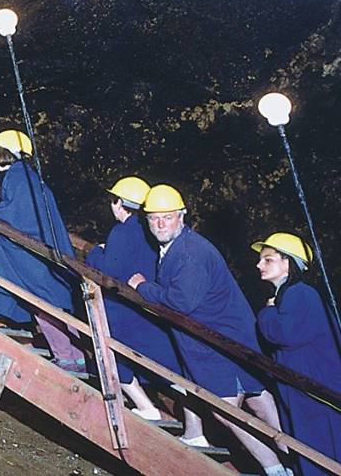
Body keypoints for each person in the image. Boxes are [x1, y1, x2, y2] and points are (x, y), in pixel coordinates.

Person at [130, 185, 290, 474]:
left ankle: (277, 469)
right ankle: (300, 461)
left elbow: (181, 301)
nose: (160, 224)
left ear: (182, 216)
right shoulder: (180, 246)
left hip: (219, 342)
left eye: (167, 217)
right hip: (231, 338)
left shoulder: (190, 252)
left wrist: (142, 287)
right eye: (154, 218)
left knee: (225, 411)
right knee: (259, 402)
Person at [0, 131, 86, 373]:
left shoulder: (19, 176)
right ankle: (77, 355)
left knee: (42, 302)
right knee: (56, 302)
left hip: (38, 255)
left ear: (11, 154)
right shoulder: (25, 176)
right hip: (48, 253)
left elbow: (16, 213)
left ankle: (66, 356)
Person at [86, 176, 189, 425]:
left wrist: (96, 252)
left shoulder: (122, 231)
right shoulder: (148, 232)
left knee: (113, 356)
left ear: (119, 203)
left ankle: (145, 405)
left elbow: (108, 270)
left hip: (121, 310)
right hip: (146, 308)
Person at [254, 232, 341, 475]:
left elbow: (284, 334)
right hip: (304, 390)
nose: (259, 265)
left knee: (319, 451)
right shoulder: (291, 294)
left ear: (288, 263)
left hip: (315, 393)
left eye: (268, 259)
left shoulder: (300, 293)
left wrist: (266, 313)